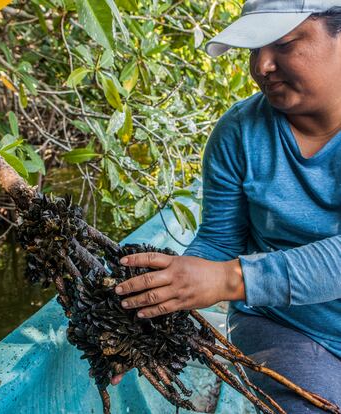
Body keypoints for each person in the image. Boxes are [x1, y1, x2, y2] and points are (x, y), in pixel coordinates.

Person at [111, 1, 341, 412]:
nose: (262, 66)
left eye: (283, 44)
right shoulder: (238, 132)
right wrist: (147, 320)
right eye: (255, 48)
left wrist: (230, 279)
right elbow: (219, 241)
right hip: (282, 325)